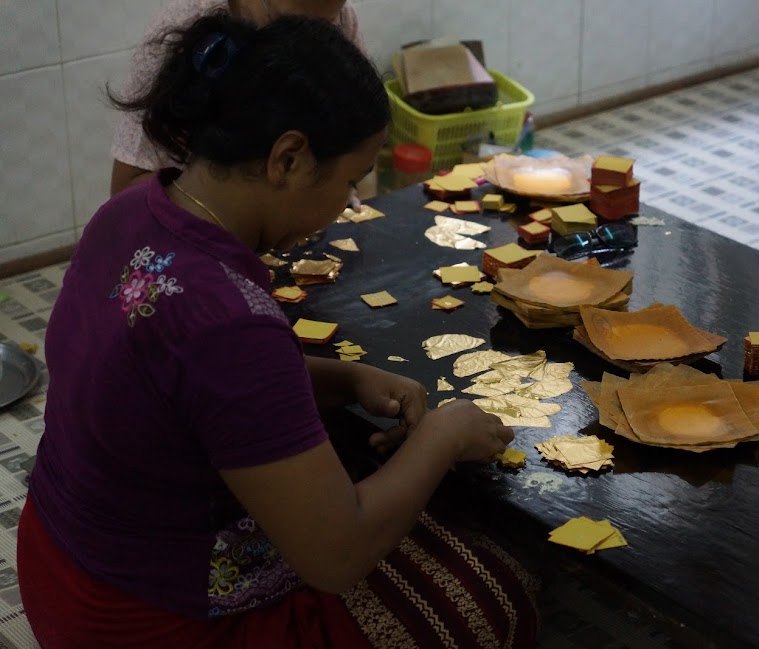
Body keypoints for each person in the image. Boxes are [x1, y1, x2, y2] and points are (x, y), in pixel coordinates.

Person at [18, 12, 538, 649]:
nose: (347, 204)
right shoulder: (228, 321)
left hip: (57, 563)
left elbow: (185, 388)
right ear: (287, 158)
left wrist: (347, 378)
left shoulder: (129, 213)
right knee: (491, 589)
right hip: (142, 622)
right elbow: (336, 557)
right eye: (347, 181)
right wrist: (443, 436)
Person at [109, 0, 366, 197]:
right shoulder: (184, 31)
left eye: (324, 29)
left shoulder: (336, 17)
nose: (306, 45)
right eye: (288, 24)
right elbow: (126, 193)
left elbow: (357, 140)